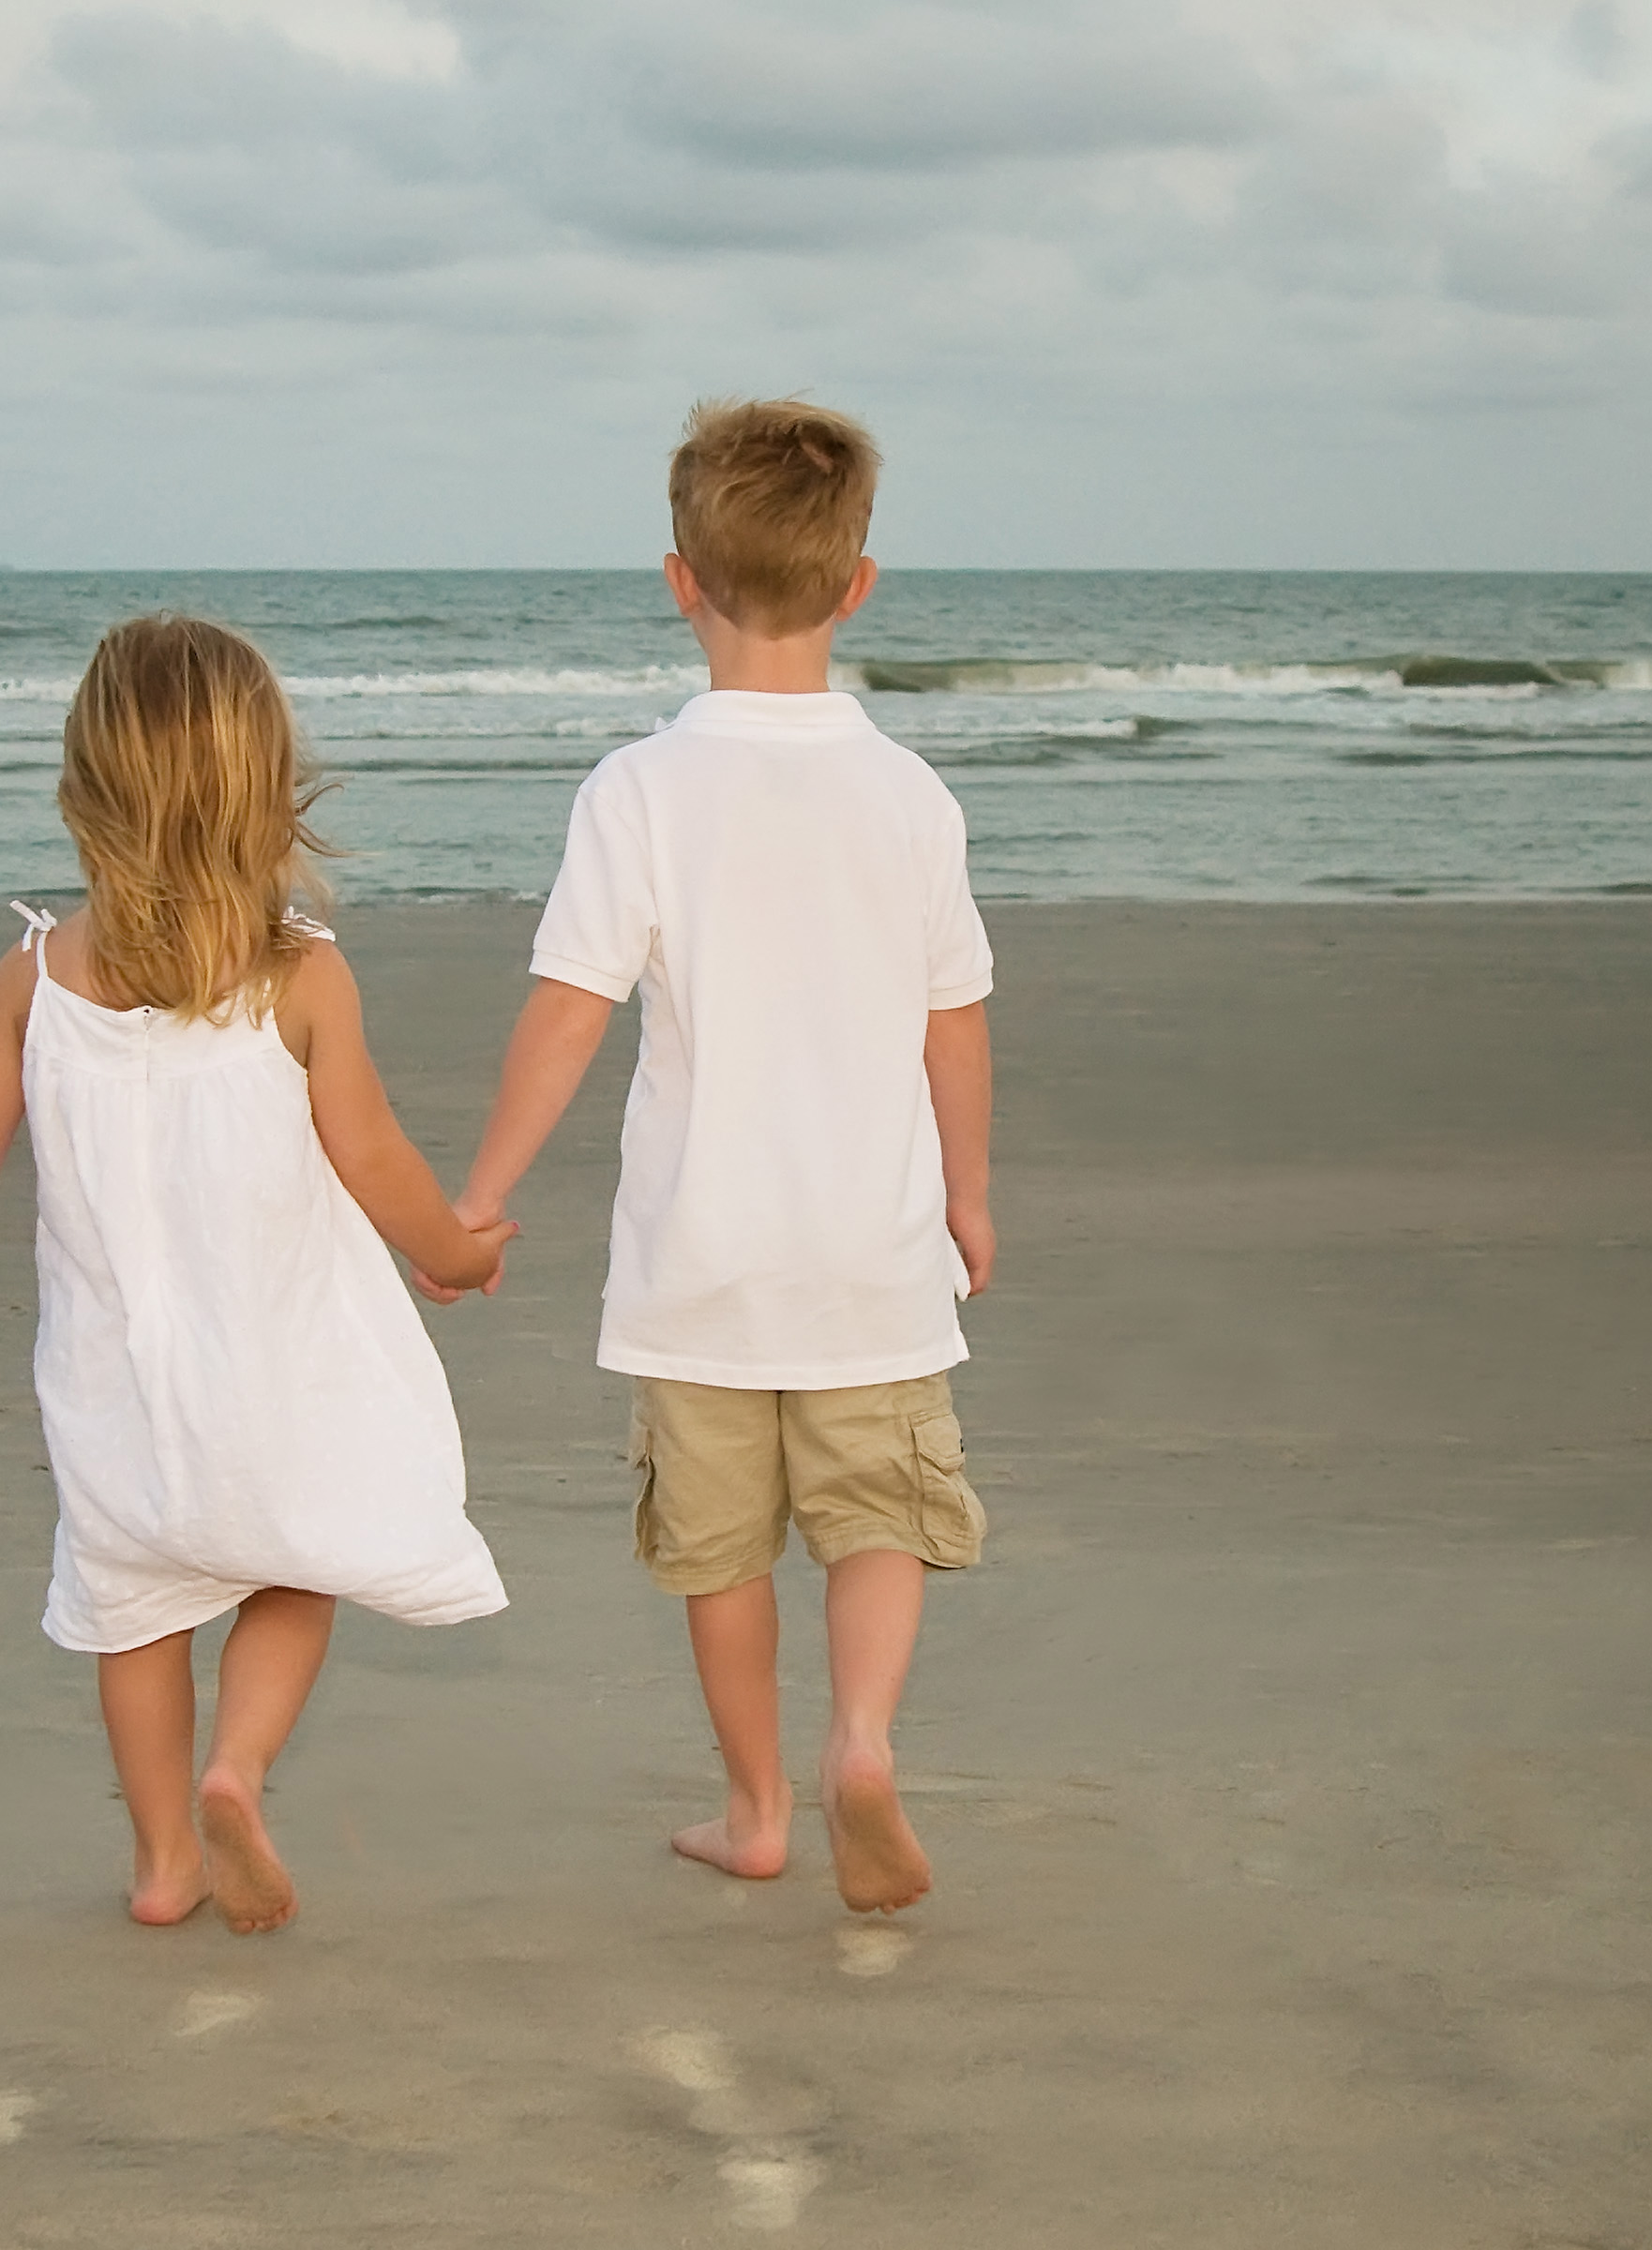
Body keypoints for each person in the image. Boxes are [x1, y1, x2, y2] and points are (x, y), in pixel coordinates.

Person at [0, 614, 516, 1936]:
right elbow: (376, 1154)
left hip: (116, 1392)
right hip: (276, 1374)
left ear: (85, 788)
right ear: (265, 792)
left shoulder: (35, 982)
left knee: (135, 1608)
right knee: (296, 1564)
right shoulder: (300, 981)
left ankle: (165, 1861)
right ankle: (241, 1768)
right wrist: (453, 1252)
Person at [437, 398, 995, 1914]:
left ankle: (755, 1811)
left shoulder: (641, 790)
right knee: (881, 1515)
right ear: (858, 584)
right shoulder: (910, 796)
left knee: (721, 1555)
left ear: (678, 581)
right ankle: (862, 1743)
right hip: (872, 1253)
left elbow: (567, 1016)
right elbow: (956, 1023)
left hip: (702, 1263)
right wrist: (969, 1197)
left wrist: (478, 1198)